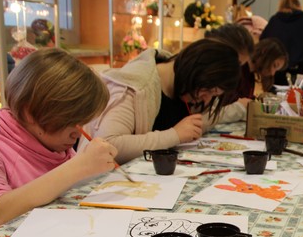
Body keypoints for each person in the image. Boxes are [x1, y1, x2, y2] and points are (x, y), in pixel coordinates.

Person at [0, 48, 116, 237]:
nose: (77, 132)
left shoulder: (53, 143)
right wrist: (81, 165)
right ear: (29, 112)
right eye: (71, 121)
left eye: (82, 121)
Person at [85, 39, 241, 164]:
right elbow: (108, 144)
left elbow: (203, 119)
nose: (207, 99)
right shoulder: (137, 86)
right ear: (197, 74)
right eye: (209, 91)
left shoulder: (184, 85)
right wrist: (174, 135)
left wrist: (241, 108)